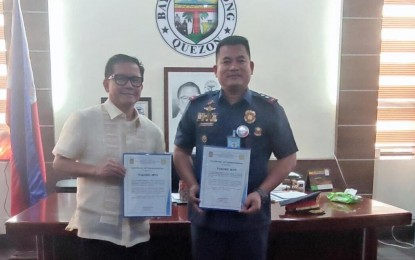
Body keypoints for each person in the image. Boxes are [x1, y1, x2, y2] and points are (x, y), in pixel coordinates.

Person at [173, 35, 298, 260]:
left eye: (240, 61)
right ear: (215, 69)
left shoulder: (269, 109)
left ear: (251, 67)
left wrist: (261, 192)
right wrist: (192, 185)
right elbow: (180, 151)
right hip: (206, 217)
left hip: (250, 218)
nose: (233, 67)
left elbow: (288, 158)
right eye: (226, 61)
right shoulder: (197, 107)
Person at [52, 54, 165, 260]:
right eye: (120, 78)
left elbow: (158, 177)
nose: (129, 85)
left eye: (136, 80)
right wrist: (95, 170)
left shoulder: (153, 132)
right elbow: (59, 163)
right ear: (106, 84)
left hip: (138, 234)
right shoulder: (83, 119)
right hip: (97, 233)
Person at [170, 81, 201, 150]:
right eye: (185, 98)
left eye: (194, 98)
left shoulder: (208, 124)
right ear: (178, 102)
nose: (190, 101)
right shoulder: (170, 125)